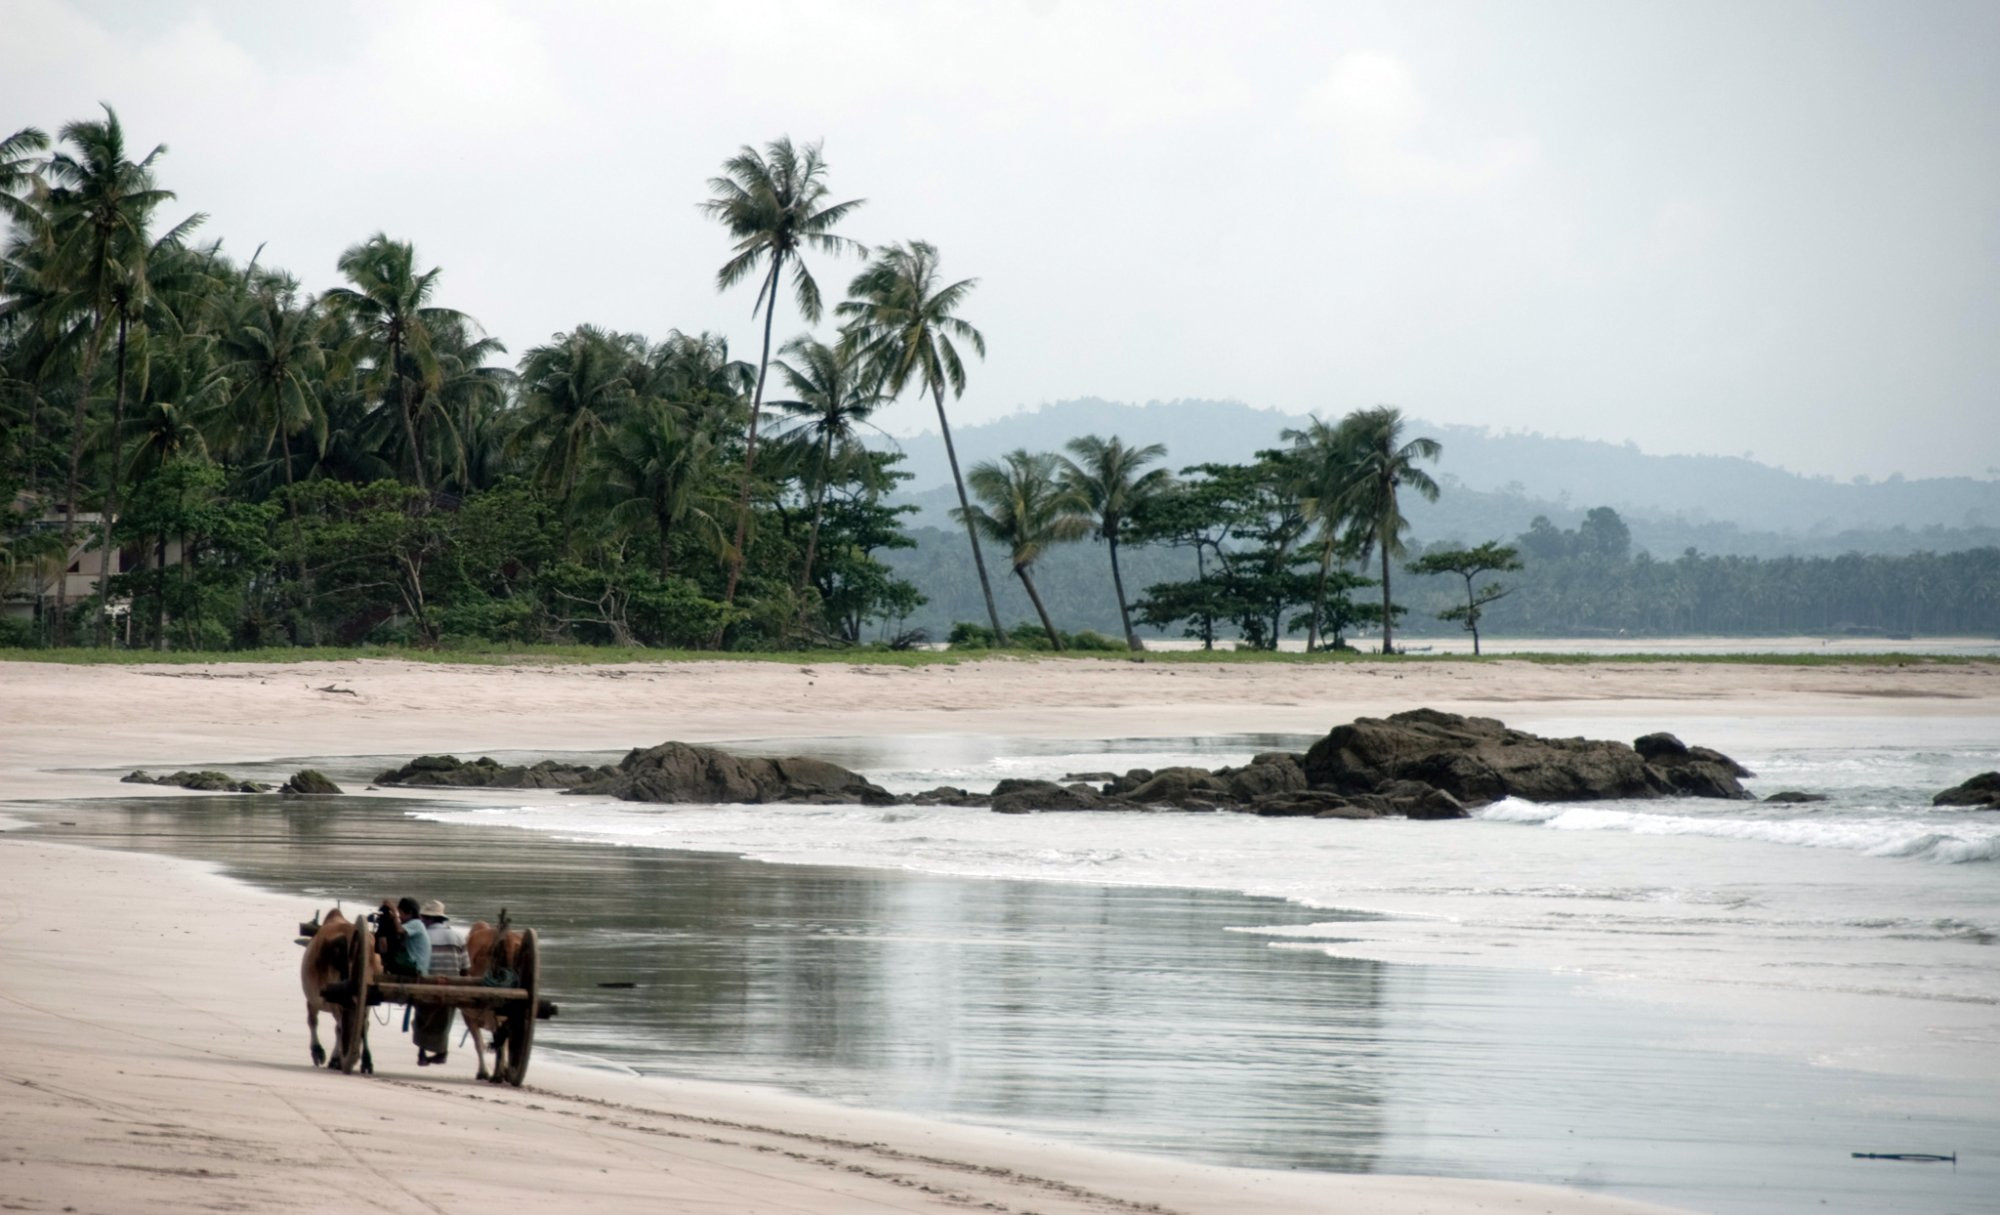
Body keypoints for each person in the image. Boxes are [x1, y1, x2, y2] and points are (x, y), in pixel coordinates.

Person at [414, 899, 467, 1066]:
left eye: (423, 918)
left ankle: (422, 1053)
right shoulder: (458, 936)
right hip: (452, 986)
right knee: (445, 1019)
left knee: (422, 1016)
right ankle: (441, 1052)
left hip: (426, 984)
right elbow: (465, 968)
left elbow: (416, 963)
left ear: (428, 919)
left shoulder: (422, 936)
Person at [377, 896, 431, 978]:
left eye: (400, 913)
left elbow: (399, 930)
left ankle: (385, 967)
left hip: (416, 967)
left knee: (388, 957)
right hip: (415, 965)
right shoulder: (413, 924)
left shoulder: (416, 923)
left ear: (410, 912)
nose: (399, 917)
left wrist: (394, 913)